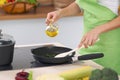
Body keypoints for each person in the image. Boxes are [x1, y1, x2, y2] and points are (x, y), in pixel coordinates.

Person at [46, 0, 120, 74]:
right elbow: (81, 3)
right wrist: (60, 13)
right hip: (87, 44)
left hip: (111, 46)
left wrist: (98, 29)